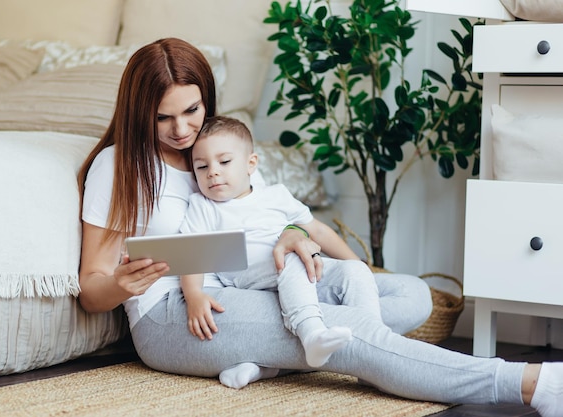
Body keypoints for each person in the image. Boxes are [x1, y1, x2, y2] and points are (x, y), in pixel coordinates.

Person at [77, 37, 563, 417]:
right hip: (177, 313)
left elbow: (273, 217)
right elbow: (90, 290)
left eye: (192, 110)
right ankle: (527, 384)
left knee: (409, 294)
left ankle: (273, 360)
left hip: (256, 280)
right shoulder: (119, 165)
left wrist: (298, 236)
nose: (182, 130)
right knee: (349, 330)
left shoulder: (218, 151)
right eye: (163, 117)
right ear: (139, 109)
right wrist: (120, 284)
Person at [179, 115, 384, 372]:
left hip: (291, 271)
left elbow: (318, 231)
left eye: (224, 161)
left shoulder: (276, 195)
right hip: (247, 277)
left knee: (355, 271)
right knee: (294, 253)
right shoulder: (204, 206)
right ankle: (312, 335)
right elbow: (191, 253)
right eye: (201, 167)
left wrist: (361, 265)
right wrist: (194, 295)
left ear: (251, 163)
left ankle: (374, 350)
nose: (213, 172)